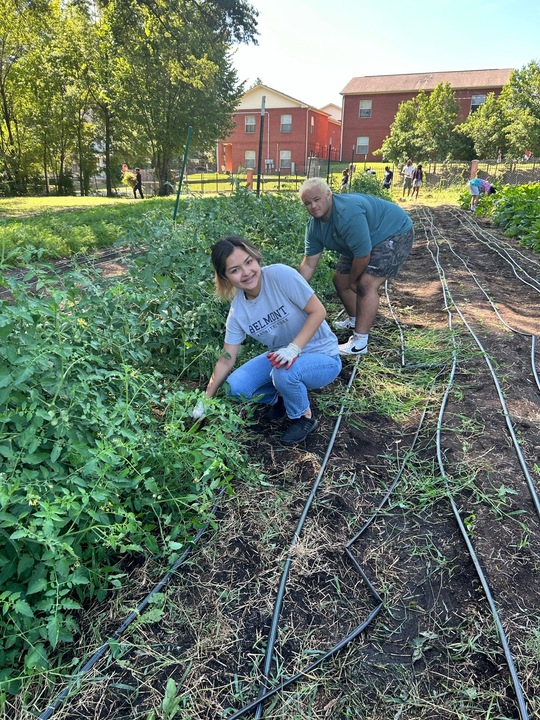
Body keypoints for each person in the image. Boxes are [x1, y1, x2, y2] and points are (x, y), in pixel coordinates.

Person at [192, 236, 342, 445]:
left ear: (256, 258)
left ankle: (304, 417)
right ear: (225, 277)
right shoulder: (238, 312)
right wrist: (205, 399)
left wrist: (293, 349)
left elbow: (318, 311)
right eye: (234, 270)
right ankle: (280, 397)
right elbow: (227, 359)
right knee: (235, 388)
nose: (246, 272)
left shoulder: (280, 275)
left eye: (248, 262)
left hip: (322, 354)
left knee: (284, 371)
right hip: (282, 355)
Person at [298, 178, 414, 356]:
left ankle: (360, 342)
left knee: (365, 284)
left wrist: (353, 281)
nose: (313, 206)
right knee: (339, 280)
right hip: (364, 240)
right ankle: (355, 320)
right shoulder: (314, 227)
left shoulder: (347, 214)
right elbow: (308, 264)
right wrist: (292, 290)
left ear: (328, 194)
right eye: (308, 203)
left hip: (393, 231)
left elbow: (363, 255)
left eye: (317, 199)